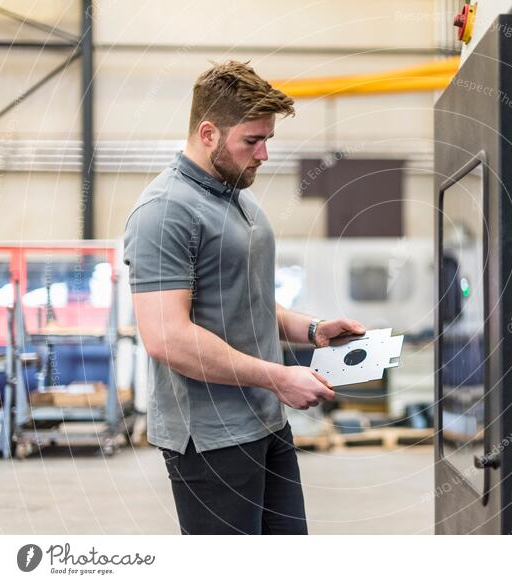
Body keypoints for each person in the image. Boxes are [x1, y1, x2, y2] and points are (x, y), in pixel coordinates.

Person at [123, 61, 365, 535]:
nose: (265, 154)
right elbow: (167, 337)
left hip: (265, 423)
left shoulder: (237, 197)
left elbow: (246, 303)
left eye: (267, 139)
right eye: (252, 140)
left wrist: (311, 330)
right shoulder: (164, 212)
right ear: (208, 133)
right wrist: (279, 377)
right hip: (212, 440)